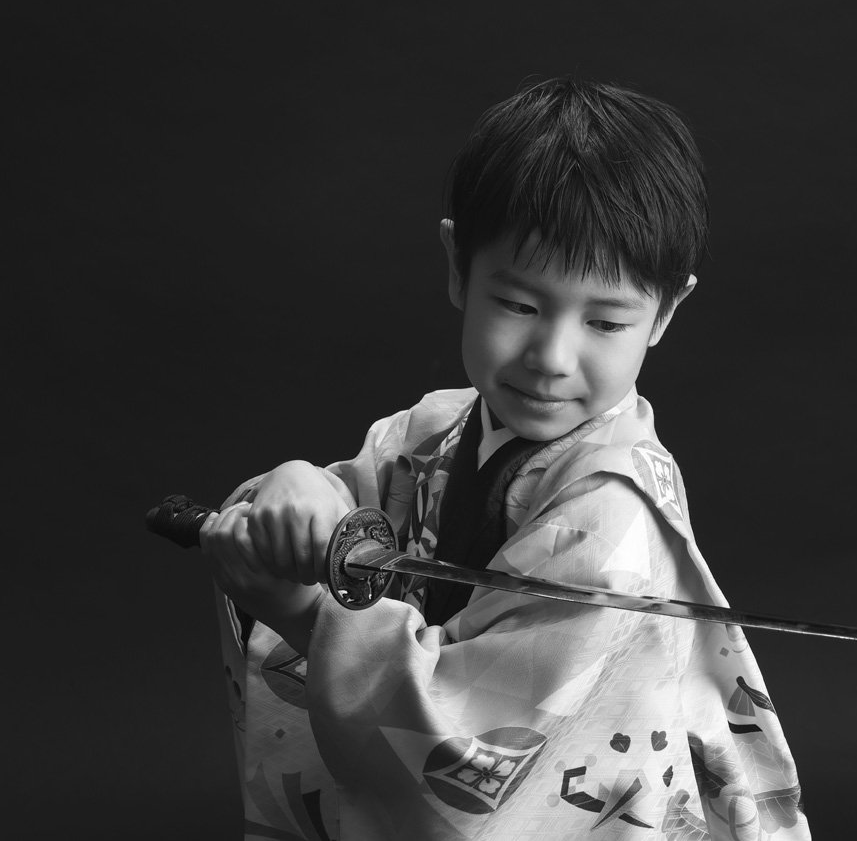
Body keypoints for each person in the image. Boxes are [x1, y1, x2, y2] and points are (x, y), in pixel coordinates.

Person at [200, 76, 810, 840]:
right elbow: (340, 511)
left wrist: (303, 612)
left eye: (605, 321)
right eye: (520, 305)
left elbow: (477, 753)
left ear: (665, 311)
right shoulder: (436, 428)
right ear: (459, 264)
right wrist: (295, 486)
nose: (551, 356)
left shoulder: (610, 517)